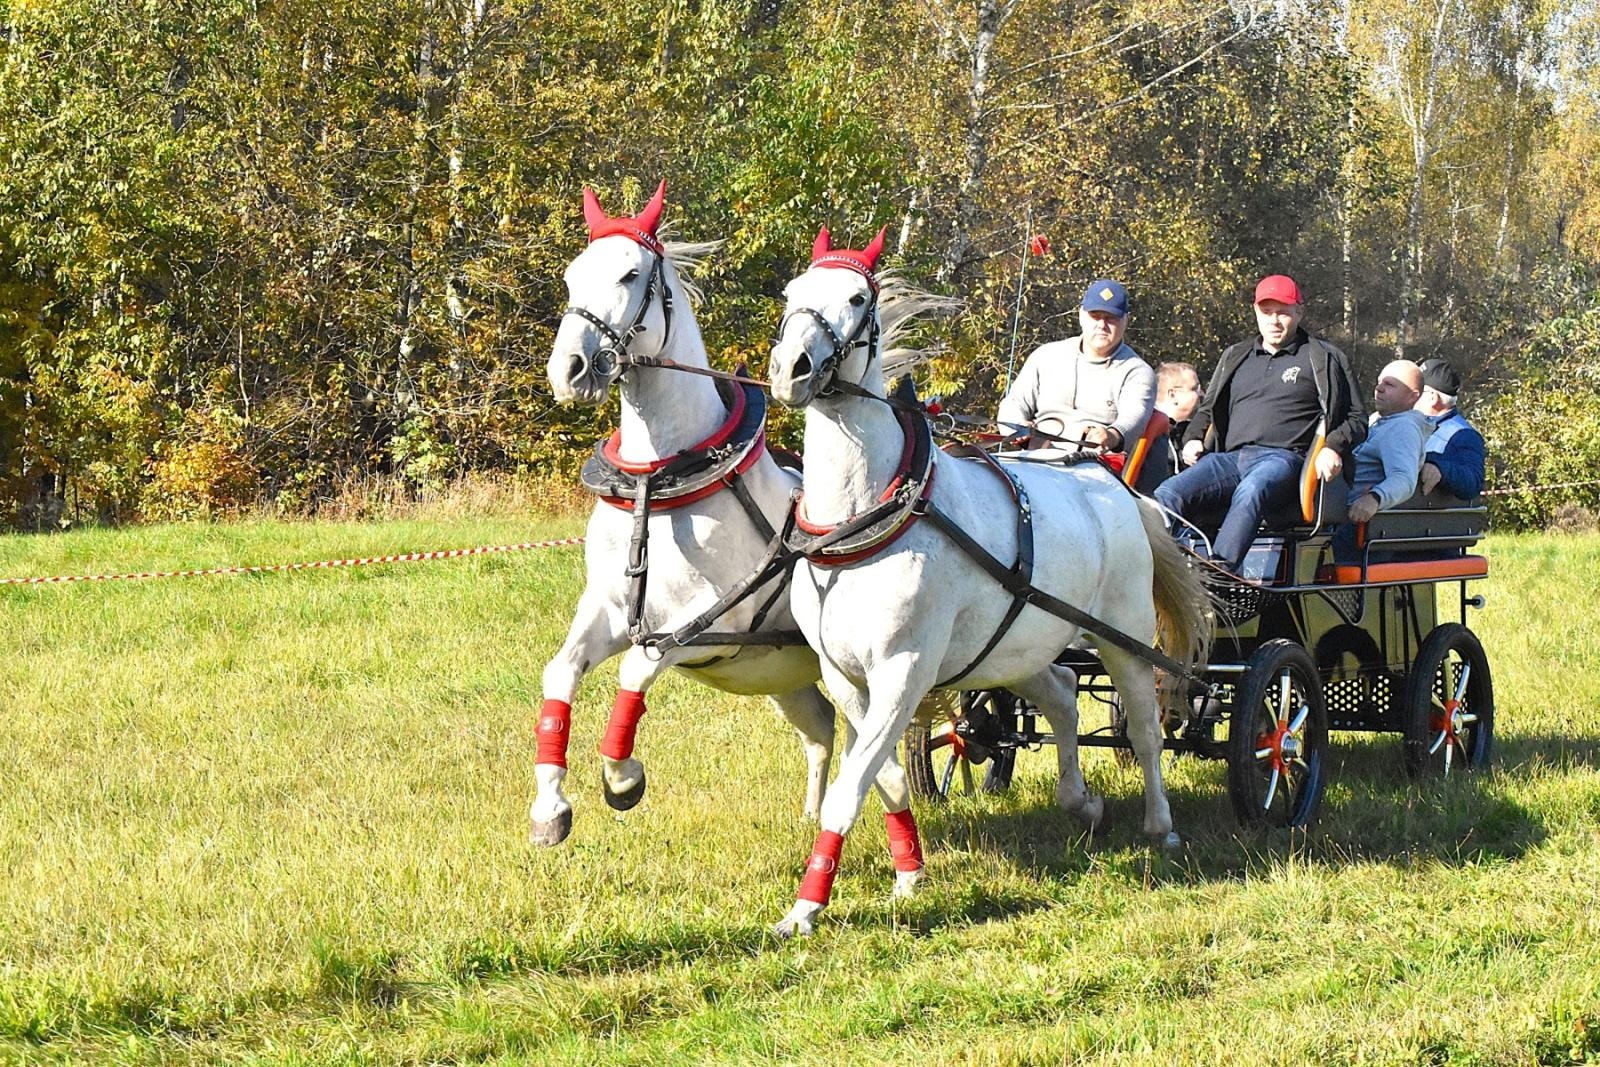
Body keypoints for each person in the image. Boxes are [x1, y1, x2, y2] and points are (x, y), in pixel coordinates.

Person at [1154, 275, 1367, 573]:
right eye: (1267, 312)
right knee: (1168, 493)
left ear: (1299, 313)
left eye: (1283, 311)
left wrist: (1332, 447)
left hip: (1284, 460)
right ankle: (1163, 572)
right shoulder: (1235, 356)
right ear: (1256, 312)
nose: (1274, 320)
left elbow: (1357, 419)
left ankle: (1218, 575)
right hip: (1228, 460)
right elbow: (1207, 410)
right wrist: (1192, 438)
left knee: (1252, 489)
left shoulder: (1324, 358)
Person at [997, 279, 1155, 460]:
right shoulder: (1046, 355)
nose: (1102, 325)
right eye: (1095, 316)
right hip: (1034, 458)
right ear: (1081, 315)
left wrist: (1111, 435)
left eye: (1111, 318)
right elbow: (1014, 402)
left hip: (1092, 466)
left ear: (1126, 320)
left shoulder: (1137, 371)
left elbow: (1135, 416)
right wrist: (1016, 425)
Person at [1334, 360, 1431, 562]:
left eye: (1389, 385)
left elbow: (1404, 478)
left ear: (1413, 396)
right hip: (1343, 517)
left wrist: (1374, 499)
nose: (1378, 388)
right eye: (1379, 382)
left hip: (1358, 527)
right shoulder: (1377, 421)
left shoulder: (1403, 427)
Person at [1414, 357, 1485, 499]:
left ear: (1432, 398)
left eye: (1416, 390)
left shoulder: (1463, 435)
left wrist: (1440, 468)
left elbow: (1473, 481)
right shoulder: (1408, 423)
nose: (1409, 395)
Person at [1133, 361, 1203, 494]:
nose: (1201, 394)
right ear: (1172, 395)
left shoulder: (1188, 432)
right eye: (1195, 388)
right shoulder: (1147, 430)